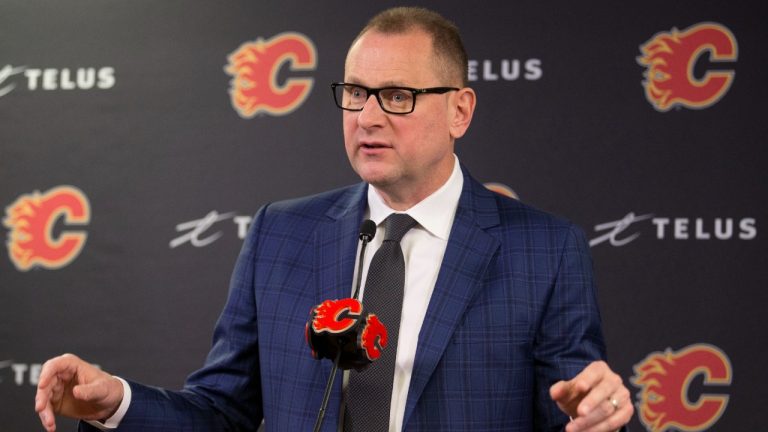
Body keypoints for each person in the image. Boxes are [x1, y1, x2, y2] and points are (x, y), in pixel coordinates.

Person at [35, 6, 633, 432]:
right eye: (355, 92)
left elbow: (578, 413)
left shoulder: (544, 250)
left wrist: (600, 414)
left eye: (397, 96)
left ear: (460, 110)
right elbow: (223, 413)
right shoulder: (281, 233)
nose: (368, 117)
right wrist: (115, 403)